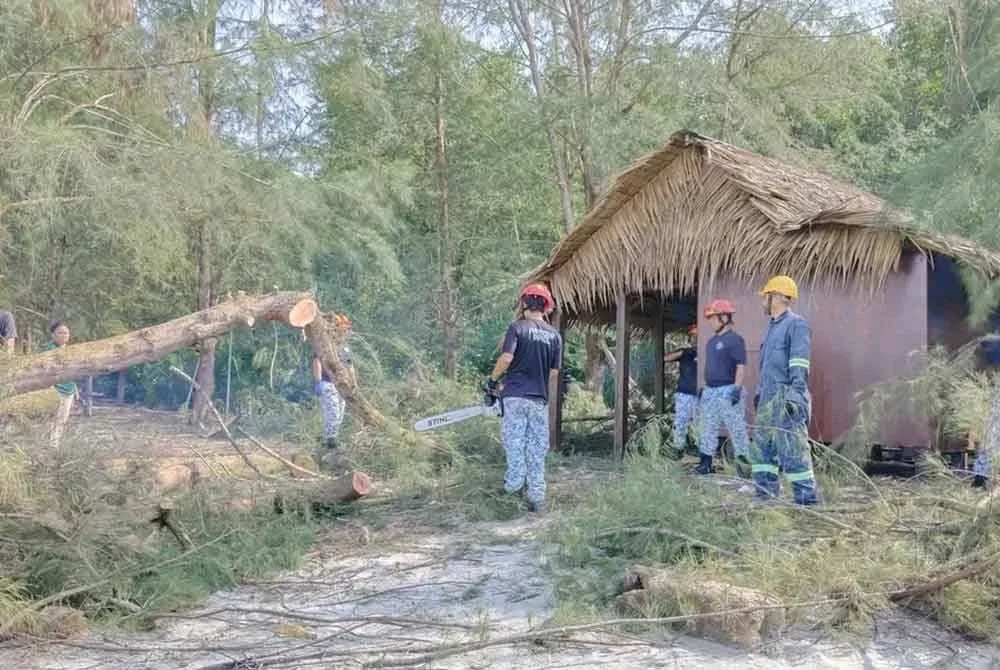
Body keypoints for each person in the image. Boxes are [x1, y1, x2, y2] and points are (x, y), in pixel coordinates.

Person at [486, 283, 563, 514]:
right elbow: (554, 372)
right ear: (545, 307)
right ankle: (536, 497)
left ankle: (513, 491)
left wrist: (492, 381)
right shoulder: (555, 335)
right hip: (539, 398)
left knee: (514, 443)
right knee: (537, 447)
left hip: (515, 396)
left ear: (524, 303)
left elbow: (507, 358)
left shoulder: (517, 328)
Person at [752, 275, 819, 505]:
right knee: (763, 451)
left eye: (767, 296)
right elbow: (767, 367)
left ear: (778, 297)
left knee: (793, 451)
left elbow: (799, 363)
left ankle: (806, 501)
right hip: (767, 399)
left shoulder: (796, 324)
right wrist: (760, 393)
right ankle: (765, 498)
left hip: (786, 397)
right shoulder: (770, 328)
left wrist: (794, 395)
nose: (764, 301)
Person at [697, 300, 751, 475]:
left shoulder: (735, 340)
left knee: (736, 430)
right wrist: (705, 388)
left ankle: (743, 468)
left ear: (724, 317)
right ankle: (705, 464)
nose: (711, 322)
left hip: (728, 390)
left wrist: (736, 388)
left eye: (713, 318)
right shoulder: (711, 341)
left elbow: (740, 366)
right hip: (711, 391)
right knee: (707, 428)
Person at [312, 313, 354, 450]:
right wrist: (318, 381)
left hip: (342, 384)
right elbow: (317, 361)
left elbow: (350, 366)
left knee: (340, 412)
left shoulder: (345, 347)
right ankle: (330, 440)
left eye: (348, 329)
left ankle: (328, 438)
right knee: (333, 411)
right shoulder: (327, 345)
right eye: (345, 329)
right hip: (328, 382)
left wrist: (353, 383)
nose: (347, 332)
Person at [43, 321, 79, 448]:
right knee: (51, 419)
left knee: (62, 420)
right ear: (53, 334)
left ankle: (54, 446)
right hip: (53, 390)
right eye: (60, 333)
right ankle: (47, 446)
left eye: (66, 333)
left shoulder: (71, 350)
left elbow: (73, 372)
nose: (64, 335)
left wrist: (75, 389)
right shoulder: (47, 349)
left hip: (68, 390)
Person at [665, 324, 699, 457]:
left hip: (700, 394)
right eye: (693, 336)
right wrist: (684, 352)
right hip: (684, 393)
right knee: (681, 421)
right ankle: (678, 448)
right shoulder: (685, 353)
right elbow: (665, 358)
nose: (695, 339)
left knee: (699, 422)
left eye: (697, 336)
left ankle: (697, 448)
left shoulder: (707, 351)